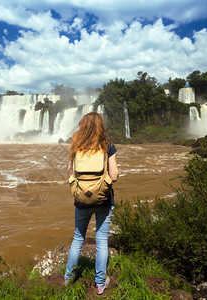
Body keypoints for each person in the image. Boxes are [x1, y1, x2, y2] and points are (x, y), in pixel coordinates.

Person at [64, 112, 119, 295]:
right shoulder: (107, 146)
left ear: (82, 126)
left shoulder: (75, 146)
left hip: (81, 200)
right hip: (103, 199)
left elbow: (70, 171)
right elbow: (115, 175)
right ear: (100, 127)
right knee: (102, 241)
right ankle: (100, 283)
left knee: (78, 238)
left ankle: (68, 277)